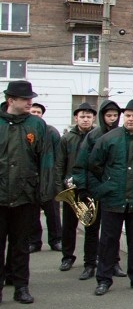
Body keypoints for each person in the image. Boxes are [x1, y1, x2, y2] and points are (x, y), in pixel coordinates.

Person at [88, 99, 133, 295]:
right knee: (108, 240)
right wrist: (106, 187)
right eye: (128, 115)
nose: (130, 119)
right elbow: (95, 165)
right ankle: (104, 279)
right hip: (113, 198)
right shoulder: (109, 139)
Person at [0, 80, 58, 305]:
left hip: (26, 196)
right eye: (25, 99)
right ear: (10, 100)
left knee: (21, 245)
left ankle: (21, 287)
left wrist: (45, 191)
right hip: (1, 195)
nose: (29, 102)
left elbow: (46, 159)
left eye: (30, 99)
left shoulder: (37, 125)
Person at [71, 99, 123, 281]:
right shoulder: (93, 136)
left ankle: (113, 262)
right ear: (102, 116)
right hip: (93, 190)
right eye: (109, 115)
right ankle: (89, 264)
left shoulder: (122, 135)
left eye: (115, 115)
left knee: (112, 231)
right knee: (91, 228)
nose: (112, 119)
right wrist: (83, 188)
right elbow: (82, 163)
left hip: (112, 190)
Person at [56, 102, 97, 272]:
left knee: (91, 225)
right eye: (82, 117)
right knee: (69, 226)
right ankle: (67, 257)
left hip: (90, 188)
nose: (85, 120)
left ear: (93, 118)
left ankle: (91, 258)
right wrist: (61, 185)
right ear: (76, 118)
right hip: (71, 188)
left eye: (88, 117)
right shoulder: (66, 138)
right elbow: (60, 163)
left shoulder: (97, 136)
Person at [27, 102, 62, 253]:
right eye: (33, 111)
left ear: (42, 115)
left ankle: (56, 240)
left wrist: (56, 178)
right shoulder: (24, 130)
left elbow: (59, 156)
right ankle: (34, 242)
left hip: (49, 179)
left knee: (53, 213)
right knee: (32, 213)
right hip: (31, 179)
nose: (35, 114)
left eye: (38, 112)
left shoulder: (52, 132)